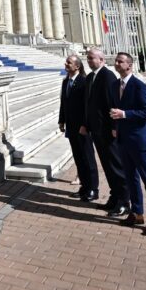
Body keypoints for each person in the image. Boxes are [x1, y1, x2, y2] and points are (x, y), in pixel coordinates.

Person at [108, 52, 146, 235]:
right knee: (131, 178)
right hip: (123, 139)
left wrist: (125, 114)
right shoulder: (116, 85)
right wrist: (116, 125)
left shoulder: (139, 86)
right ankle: (137, 212)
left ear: (129, 65)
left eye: (120, 61)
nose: (117, 63)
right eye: (116, 61)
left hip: (139, 141)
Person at [81, 48, 129, 217]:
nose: (88, 61)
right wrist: (86, 124)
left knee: (116, 166)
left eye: (91, 58)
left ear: (101, 59)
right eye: (87, 58)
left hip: (108, 131)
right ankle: (114, 196)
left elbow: (112, 103)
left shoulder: (107, 76)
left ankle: (124, 201)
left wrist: (115, 127)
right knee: (107, 166)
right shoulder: (90, 77)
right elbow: (88, 105)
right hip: (96, 130)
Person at [58, 54, 98, 201]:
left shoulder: (84, 81)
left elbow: (88, 106)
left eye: (69, 62)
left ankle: (93, 189)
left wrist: (85, 125)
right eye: (66, 62)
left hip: (83, 127)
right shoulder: (66, 81)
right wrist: (61, 121)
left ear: (77, 66)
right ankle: (84, 187)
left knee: (88, 158)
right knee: (78, 158)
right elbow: (64, 103)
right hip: (71, 126)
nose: (66, 64)